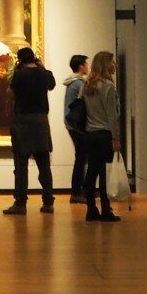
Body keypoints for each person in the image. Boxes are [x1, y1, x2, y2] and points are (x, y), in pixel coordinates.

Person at [4, 46, 56, 215]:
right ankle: (48, 202)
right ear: (34, 58)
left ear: (19, 60)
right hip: (41, 121)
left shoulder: (20, 75)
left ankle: (20, 203)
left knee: (21, 166)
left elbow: (10, 94)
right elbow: (52, 84)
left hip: (23, 121)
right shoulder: (44, 74)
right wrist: (42, 66)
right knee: (44, 165)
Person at [80, 50, 121, 222]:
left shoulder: (87, 85)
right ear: (105, 64)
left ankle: (91, 208)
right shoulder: (108, 86)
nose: (114, 65)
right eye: (112, 62)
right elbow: (111, 115)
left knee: (91, 172)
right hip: (104, 134)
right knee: (105, 174)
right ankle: (106, 209)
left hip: (90, 133)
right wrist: (115, 138)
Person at [62, 54, 89, 204]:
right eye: (86, 64)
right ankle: (77, 192)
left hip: (71, 123)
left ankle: (81, 190)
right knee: (81, 157)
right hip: (77, 125)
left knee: (81, 156)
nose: (88, 66)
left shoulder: (72, 82)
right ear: (81, 66)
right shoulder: (79, 84)